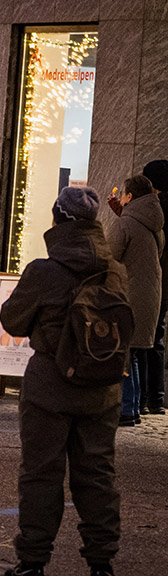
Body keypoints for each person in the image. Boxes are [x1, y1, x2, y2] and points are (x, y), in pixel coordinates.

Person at [0, 185, 124, 576]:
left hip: (49, 386)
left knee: (41, 474)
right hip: (102, 389)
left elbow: (11, 320)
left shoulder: (43, 271)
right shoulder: (115, 270)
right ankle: (102, 561)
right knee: (97, 474)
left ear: (58, 220)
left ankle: (32, 562)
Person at [107, 174, 164, 426]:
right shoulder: (156, 224)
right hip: (150, 297)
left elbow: (111, 256)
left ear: (130, 197)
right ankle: (136, 407)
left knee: (124, 353)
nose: (119, 197)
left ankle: (127, 409)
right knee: (137, 353)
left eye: (123, 194)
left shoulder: (125, 224)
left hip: (128, 297)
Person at [141, 159, 168, 416]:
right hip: (164, 281)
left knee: (144, 339)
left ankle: (141, 398)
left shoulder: (155, 207)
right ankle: (156, 397)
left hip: (153, 280)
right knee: (156, 336)